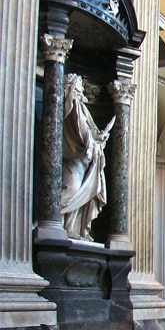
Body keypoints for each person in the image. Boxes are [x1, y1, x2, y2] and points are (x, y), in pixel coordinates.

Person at [60, 73, 115, 241]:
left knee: (79, 195)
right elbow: (83, 136)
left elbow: (89, 135)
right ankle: (54, 220)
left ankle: (70, 227)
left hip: (85, 165)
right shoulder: (71, 111)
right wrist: (95, 141)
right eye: (76, 90)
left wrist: (99, 139)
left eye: (79, 90)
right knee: (72, 190)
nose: (79, 94)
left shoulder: (83, 114)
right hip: (74, 163)